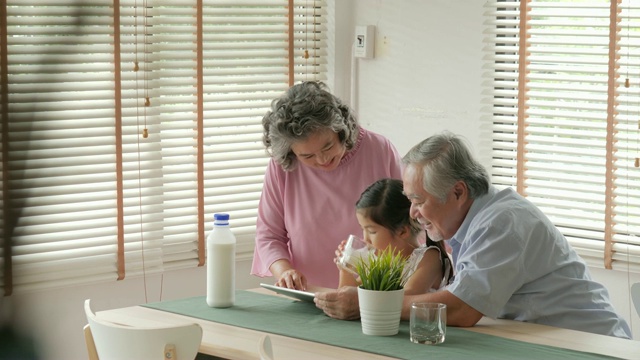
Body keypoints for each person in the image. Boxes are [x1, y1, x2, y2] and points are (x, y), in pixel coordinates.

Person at [315, 131, 632, 339]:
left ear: (457, 192)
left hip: (593, 346)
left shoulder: (502, 223)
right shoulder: (469, 220)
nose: (412, 213)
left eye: (419, 200)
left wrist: (368, 305)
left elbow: (461, 308)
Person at [250, 81, 403, 290]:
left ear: (341, 130)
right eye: (307, 155)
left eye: (328, 146)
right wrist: (285, 272)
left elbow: (411, 223)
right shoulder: (283, 167)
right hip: (308, 293)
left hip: (373, 291)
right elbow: (269, 235)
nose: (323, 160)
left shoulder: (379, 150)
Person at [335, 178, 453, 294]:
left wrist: (372, 273)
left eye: (371, 231)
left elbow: (402, 300)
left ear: (402, 231)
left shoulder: (429, 258)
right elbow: (346, 300)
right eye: (363, 229)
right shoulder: (381, 263)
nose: (366, 239)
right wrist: (345, 270)